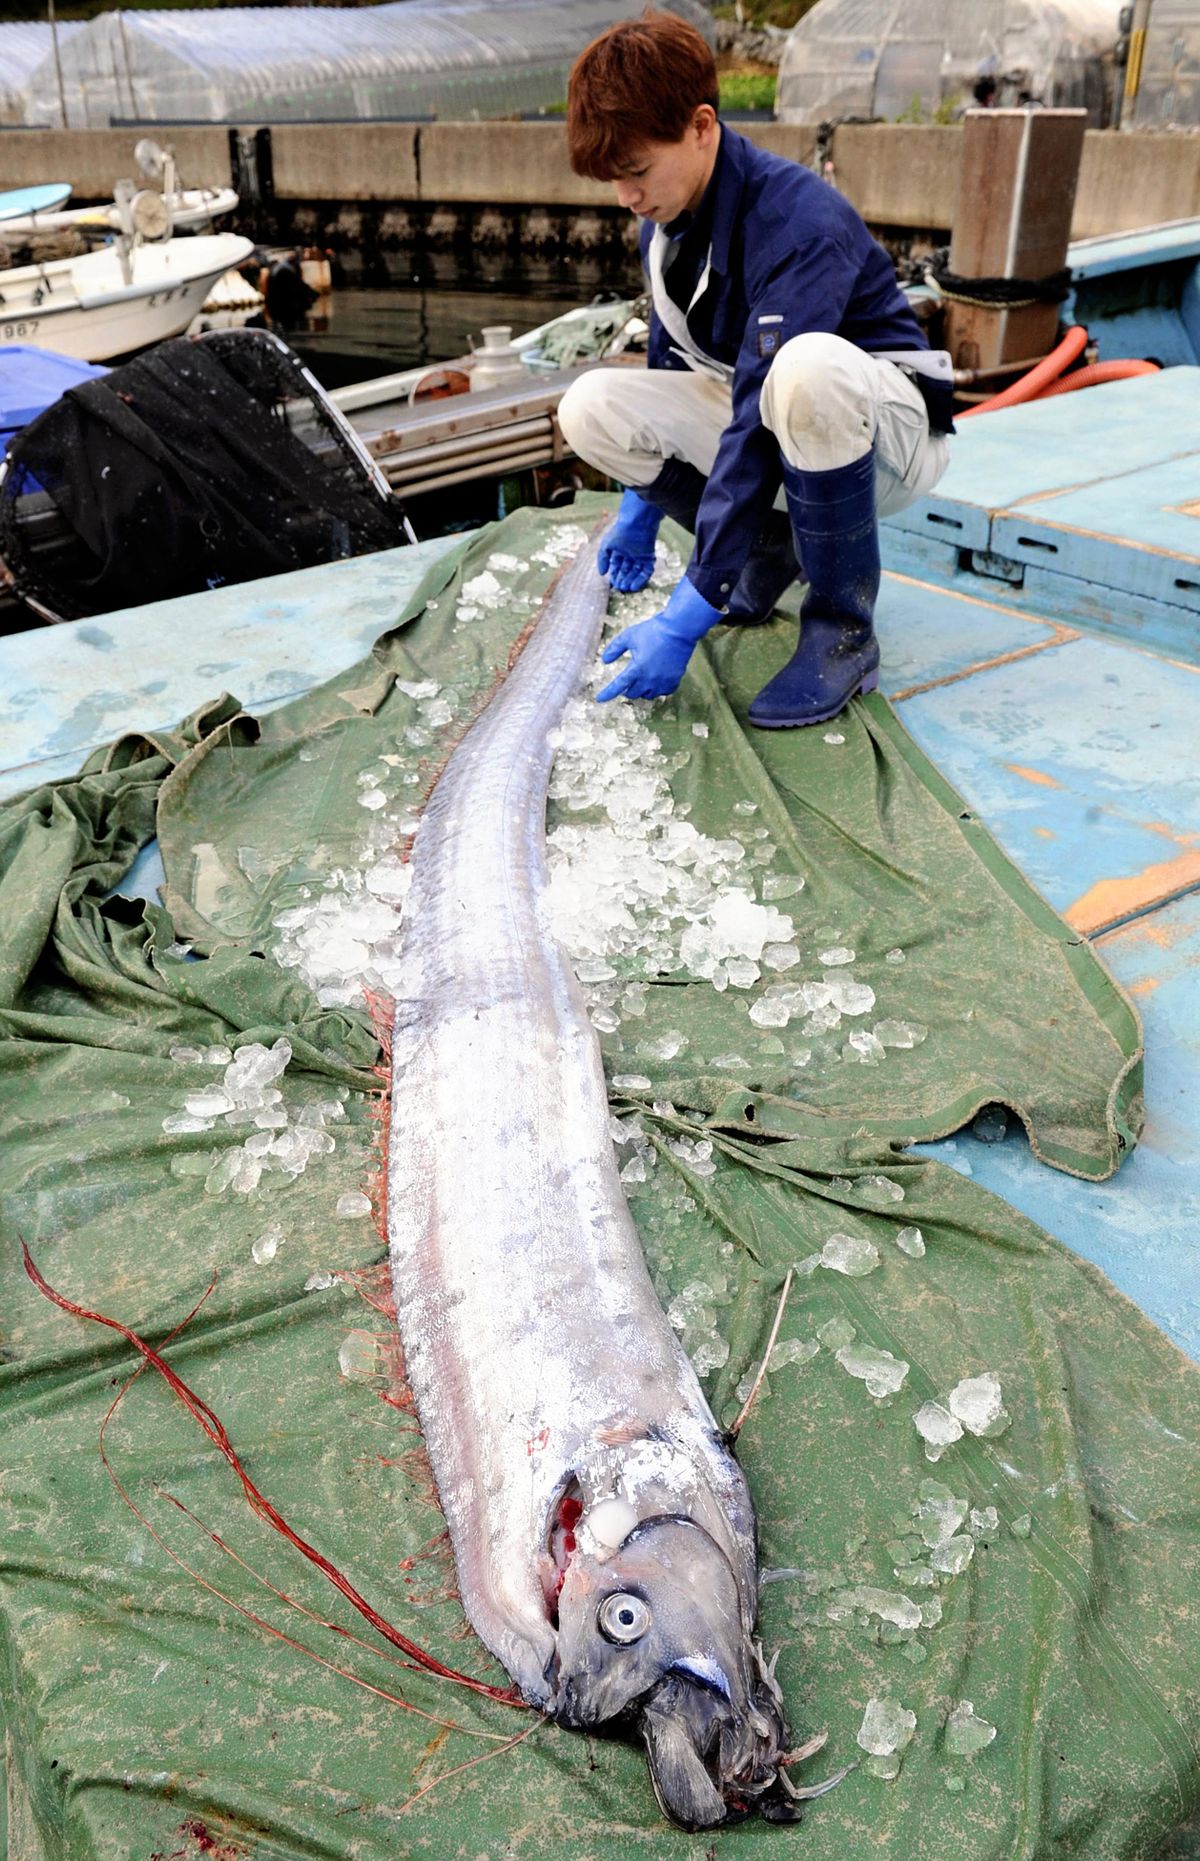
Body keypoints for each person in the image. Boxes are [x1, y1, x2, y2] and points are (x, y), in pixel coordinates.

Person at [557, 12, 955, 728]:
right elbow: (670, 356)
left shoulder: (798, 220)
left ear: (702, 126)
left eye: (636, 171)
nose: (625, 197)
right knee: (590, 405)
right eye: (614, 179)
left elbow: (755, 414)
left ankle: (842, 629)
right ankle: (769, 552)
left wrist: (688, 611)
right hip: (781, 416)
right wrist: (638, 513)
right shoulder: (665, 214)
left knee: (800, 370)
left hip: (884, 436)